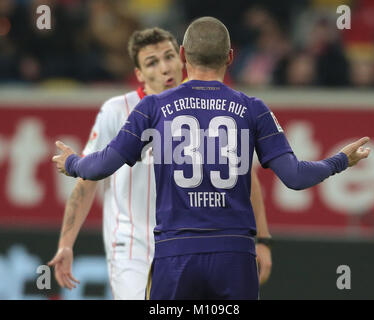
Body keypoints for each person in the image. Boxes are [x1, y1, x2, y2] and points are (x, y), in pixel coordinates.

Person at [52, 17, 370, 300]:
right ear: (230, 58)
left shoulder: (151, 108)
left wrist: (71, 163)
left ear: (182, 56)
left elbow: (100, 166)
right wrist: (340, 161)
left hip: (175, 256)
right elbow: (296, 176)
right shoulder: (253, 108)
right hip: (235, 258)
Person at [48, 27, 272, 299]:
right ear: (140, 75)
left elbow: (244, 177)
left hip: (191, 246)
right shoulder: (117, 111)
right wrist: (66, 244)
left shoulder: (211, 107)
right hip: (132, 249)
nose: (165, 68)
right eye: (152, 63)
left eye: (168, 57)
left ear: (182, 58)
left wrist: (260, 240)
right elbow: (88, 180)